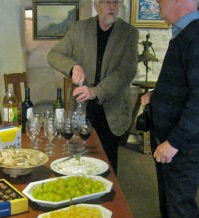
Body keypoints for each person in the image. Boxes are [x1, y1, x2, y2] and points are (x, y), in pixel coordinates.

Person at [141, 0, 199, 218]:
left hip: (182, 149)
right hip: (171, 147)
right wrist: (156, 96)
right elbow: (187, 86)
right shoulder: (186, 34)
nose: (157, 3)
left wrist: (174, 143)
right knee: (171, 215)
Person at [47, 0, 139, 174]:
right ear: (96, 5)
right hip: (83, 107)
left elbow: (127, 72)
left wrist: (95, 92)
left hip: (112, 110)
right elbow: (53, 55)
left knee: (108, 166)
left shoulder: (129, 33)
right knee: (79, 159)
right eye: (106, 2)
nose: (112, 6)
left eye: (115, 2)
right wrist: (72, 66)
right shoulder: (79, 29)